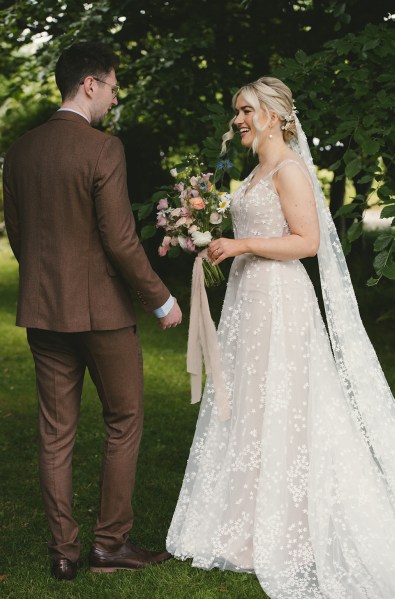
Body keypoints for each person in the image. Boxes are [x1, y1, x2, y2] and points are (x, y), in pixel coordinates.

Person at [167, 77, 395, 598]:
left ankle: (287, 528)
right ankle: (245, 527)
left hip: (280, 301)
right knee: (249, 407)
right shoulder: (256, 171)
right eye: (236, 112)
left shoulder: (291, 169)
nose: (238, 120)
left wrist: (241, 242)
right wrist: (211, 240)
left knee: (284, 406)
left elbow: (308, 241)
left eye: (246, 110)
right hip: (250, 300)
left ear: (274, 114)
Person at [3, 41, 182, 581]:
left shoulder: (20, 150)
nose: (113, 98)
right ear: (90, 84)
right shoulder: (104, 148)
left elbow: (17, 232)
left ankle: (64, 554)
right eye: (112, 87)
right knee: (123, 420)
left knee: (55, 434)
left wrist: (41, 280)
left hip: (42, 311)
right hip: (103, 314)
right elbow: (122, 241)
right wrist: (161, 298)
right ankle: (110, 545)